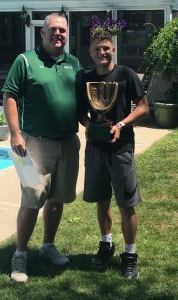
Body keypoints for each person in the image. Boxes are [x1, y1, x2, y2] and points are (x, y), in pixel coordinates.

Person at [2, 12, 82, 283]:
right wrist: (15, 135)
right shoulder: (25, 61)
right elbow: (10, 95)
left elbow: (80, 104)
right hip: (33, 144)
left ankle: (47, 246)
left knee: (58, 200)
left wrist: (98, 125)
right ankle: (20, 254)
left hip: (69, 142)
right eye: (53, 30)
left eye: (62, 30)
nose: (58, 34)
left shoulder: (74, 63)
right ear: (42, 33)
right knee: (31, 200)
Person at [79, 29, 149, 279]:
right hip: (96, 148)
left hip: (121, 148)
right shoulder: (84, 77)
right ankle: (106, 243)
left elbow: (143, 107)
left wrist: (120, 125)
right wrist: (90, 127)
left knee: (126, 203)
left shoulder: (126, 74)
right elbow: (80, 111)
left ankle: (130, 254)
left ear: (113, 49)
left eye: (106, 47)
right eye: (97, 48)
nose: (102, 52)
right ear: (90, 52)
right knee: (101, 200)